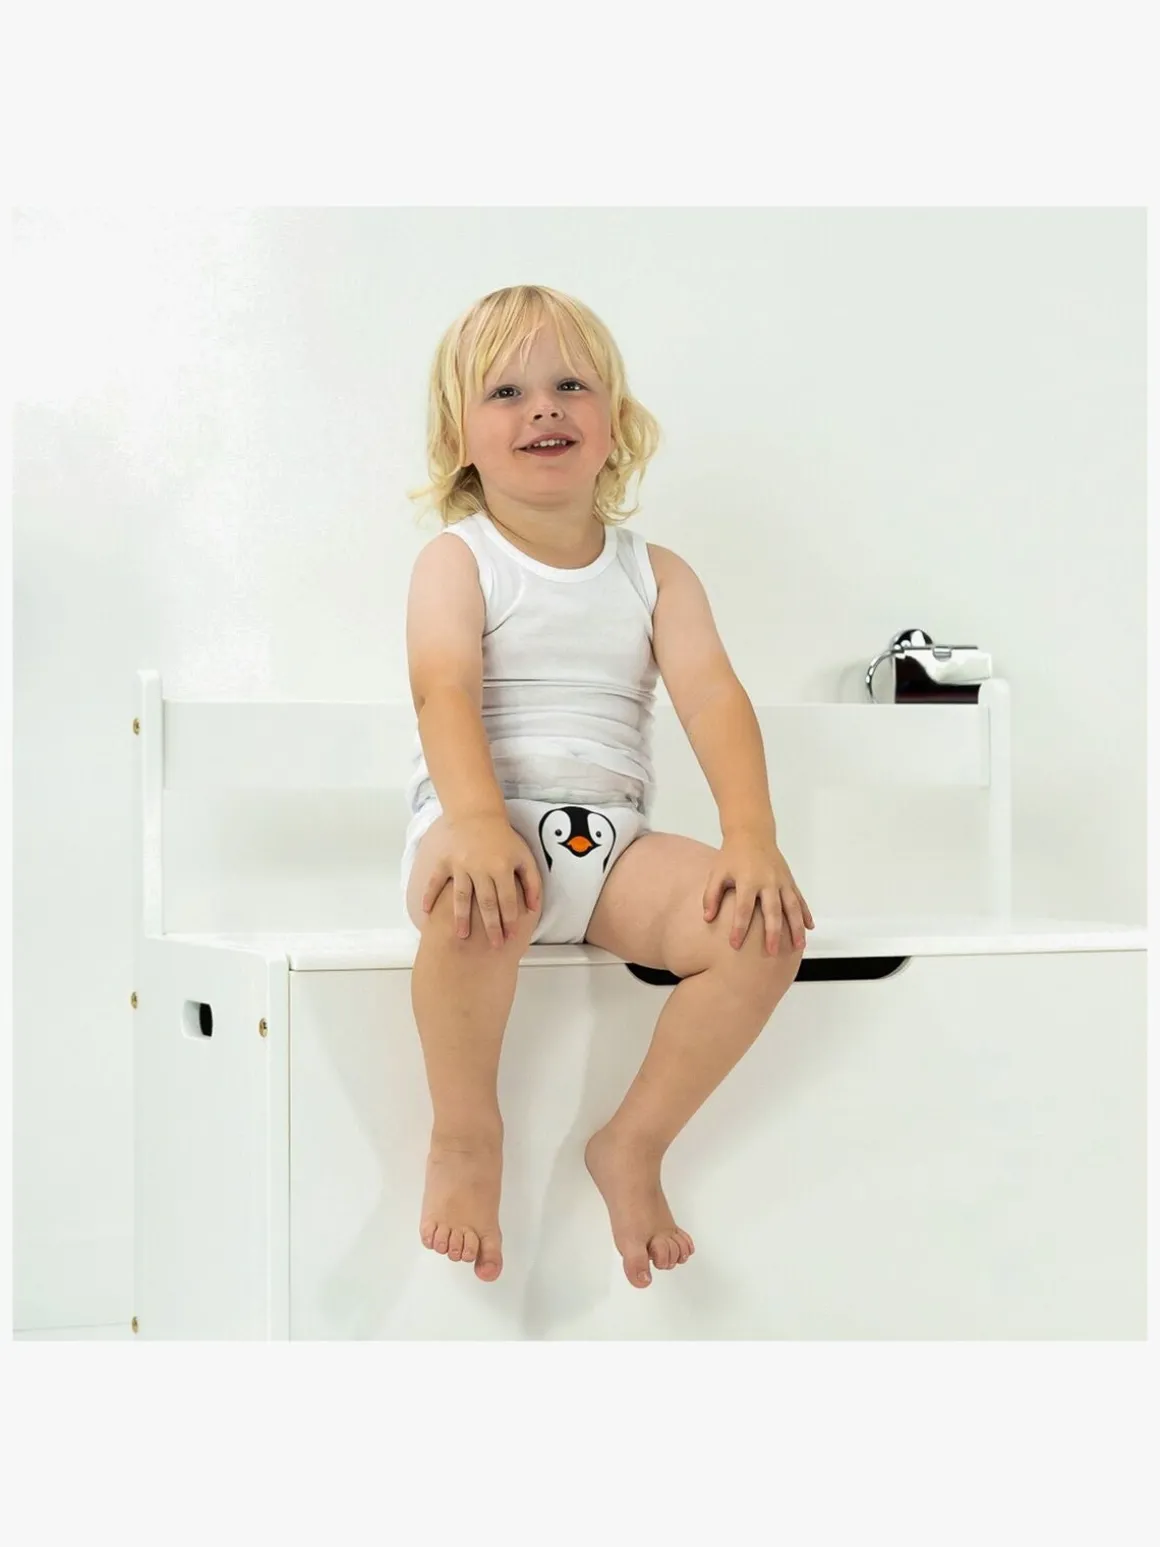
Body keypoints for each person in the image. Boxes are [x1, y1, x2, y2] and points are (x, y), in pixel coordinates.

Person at [401, 284, 814, 1290]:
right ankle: (466, 1134)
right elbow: (442, 688)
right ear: (459, 437)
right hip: (477, 828)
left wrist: (751, 837)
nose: (542, 406)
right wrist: (475, 818)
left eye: (570, 385)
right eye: (505, 391)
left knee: (759, 931)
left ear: (614, 421)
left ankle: (633, 1140)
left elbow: (713, 699)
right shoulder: (459, 561)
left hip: (613, 848)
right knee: (474, 902)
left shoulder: (654, 573)